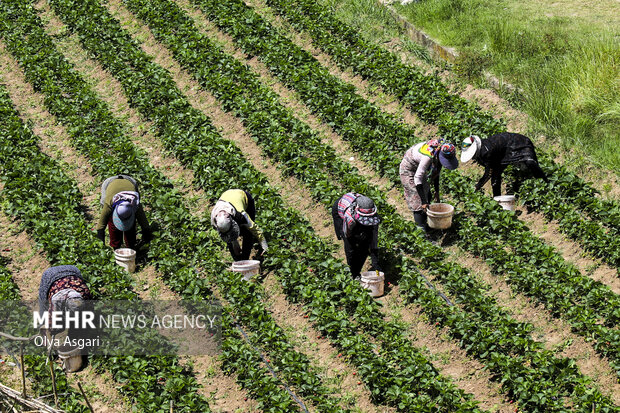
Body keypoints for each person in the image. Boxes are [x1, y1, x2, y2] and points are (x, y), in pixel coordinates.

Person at [461, 132, 549, 196]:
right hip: (503, 153)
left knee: (530, 163)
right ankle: (498, 201)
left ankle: (545, 183)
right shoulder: (482, 153)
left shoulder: (487, 152)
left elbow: (489, 173)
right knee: (495, 180)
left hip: (520, 144)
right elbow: (494, 170)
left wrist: (477, 186)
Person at [399, 139, 459, 231]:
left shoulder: (439, 152)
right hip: (408, 168)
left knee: (427, 193)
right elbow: (417, 178)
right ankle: (421, 232)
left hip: (418, 167)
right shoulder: (428, 157)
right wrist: (423, 201)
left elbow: (436, 173)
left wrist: (437, 192)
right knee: (417, 199)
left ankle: (426, 223)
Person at [332, 193, 381, 280]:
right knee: (351, 248)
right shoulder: (349, 217)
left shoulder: (374, 218)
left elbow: (373, 240)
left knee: (364, 247)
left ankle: (357, 270)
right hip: (340, 208)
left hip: (356, 215)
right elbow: (348, 238)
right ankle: (353, 274)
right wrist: (356, 239)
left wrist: (375, 262)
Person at [96, 175, 151, 250]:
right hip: (109, 183)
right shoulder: (108, 203)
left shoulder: (135, 203)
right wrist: (100, 243)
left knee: (131, 226)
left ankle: (131, 245)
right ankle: (116, 246)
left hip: (130, 181)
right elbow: (101, 225)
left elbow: (143, 220)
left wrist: (147, 237)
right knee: (112, 222)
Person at [211, 189, 268, 261]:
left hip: (243, 197)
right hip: (225, 197)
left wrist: (264, 245)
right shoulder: (214, 219)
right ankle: (237, 260)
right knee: (228, 238)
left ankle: (245, 258)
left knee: (247, 232)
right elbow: (226, 234)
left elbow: (254, 228)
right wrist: (234, 243)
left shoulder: (241, 214)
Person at [38, 265, 92, 335]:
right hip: (50, 275)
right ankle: (42, 329)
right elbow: (52, 316)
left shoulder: (85, 293)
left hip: (73, 270)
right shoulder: (57, 299)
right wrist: (50, 329)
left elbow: (90, 310)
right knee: (43, 302)